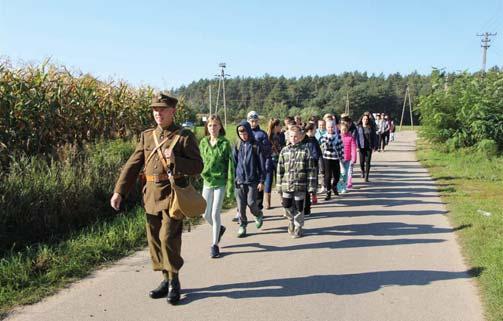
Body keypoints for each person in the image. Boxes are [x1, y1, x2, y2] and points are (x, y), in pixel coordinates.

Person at [110, 93, 203, 304]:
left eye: (162, 109)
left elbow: (198, 166)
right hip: (151, 194)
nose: (158, 113)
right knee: (154, 240)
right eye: (155, 109)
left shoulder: (184, 136)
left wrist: (176, 159)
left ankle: (174, 281)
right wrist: (119, 191)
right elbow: (132, 165)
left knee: (167, 237)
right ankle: (164, 278)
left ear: (173, 111)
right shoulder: (147, 136)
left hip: (173, 195)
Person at [199, 115, 234, 258]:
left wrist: (231, 185)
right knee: (204, 213)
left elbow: (231, 166)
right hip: (207, 181)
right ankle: (219, 228)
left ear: (220, 126)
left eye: (215, 125)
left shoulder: (225, 144)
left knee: (215, 213)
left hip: (220, 181)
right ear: (207, 127)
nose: (212, 128)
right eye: (210, 125)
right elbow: (199, 161)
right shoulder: (203, 143)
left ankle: (214, 245)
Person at [276, 125, 317, 238]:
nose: (293, 139)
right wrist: (279, 186)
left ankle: (298, 226)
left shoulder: (305, 150)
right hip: (286, 184)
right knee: (286, 205)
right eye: (291, 136)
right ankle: (291, 220)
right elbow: (280, 170)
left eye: (296, 136)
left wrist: (312, 186)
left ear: (300, 137)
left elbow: (311, 170)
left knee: (299, 207)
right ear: (288, 137)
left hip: (301, 185)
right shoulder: (284, 151)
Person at [234, 120, 266, 237]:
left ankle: (258, 214)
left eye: (244, 132)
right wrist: (234, 178)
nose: (243, 135)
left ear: (248, 131)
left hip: (252, 180)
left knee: (251, 203)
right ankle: (242, 226)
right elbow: (234, 163)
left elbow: (262, 165)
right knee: (240, 206)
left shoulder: (256, 145)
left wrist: (262, 181)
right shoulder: (237, 145)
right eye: (240, 133)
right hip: (240, 180)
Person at [247, 111, 272, 211]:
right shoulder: (245, 133)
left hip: (259, 164)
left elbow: (267, 151)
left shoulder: (262, 134)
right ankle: (240, 210)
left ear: (258, 121)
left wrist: (265, 165)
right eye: (251, 121)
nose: (253, 123)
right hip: (248, 165)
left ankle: (259, 207)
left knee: (259, 187)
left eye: (255, 121)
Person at [319, 120, 344, 200]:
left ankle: (334, 186)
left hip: (336, 158)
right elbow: (325, 147)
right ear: (326, 128)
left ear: (335, 127)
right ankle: (328, 192)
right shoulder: (324, 136)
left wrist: (342, 157)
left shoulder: (338, 136)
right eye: (329, 127)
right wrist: (330, 142)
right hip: (327, 158)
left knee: (337, 176)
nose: (330, 129)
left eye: (332, 127)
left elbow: (341, 148)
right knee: (328, 176)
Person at [267, 118, 285, 209]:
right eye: (279, 125)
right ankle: (268, 203)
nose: (281, 127)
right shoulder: (268, 136)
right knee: (268, 181)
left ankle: (283, 200)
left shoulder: (281, 135)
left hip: (279, 161)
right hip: (270, 161)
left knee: (280, 180)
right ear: (275, 126)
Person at [302, 123, 321, 209]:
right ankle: (307, 199)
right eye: (315, 130)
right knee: (306, 182)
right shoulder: (303, 140)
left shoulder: (314, 139)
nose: (316, 131)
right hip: (306, 164)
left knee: (314, 180)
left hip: (314, 163)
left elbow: (318, 152)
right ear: (310, 130)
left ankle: (314, 195)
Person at [357, 112, 378, 182]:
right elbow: (356, 138)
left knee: (368, 162)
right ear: (362, 119)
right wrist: (357, 146)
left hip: (369, 147)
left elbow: (374, 137)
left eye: (367, 119)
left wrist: (375, 146)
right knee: (361, 162)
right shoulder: (358, 127)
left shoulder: (371, 128)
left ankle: (366, 176)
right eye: (364, 119)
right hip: (361, 147)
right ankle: (362, 171)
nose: (365, 120)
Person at [339, 122, 357, 193]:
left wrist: (354, 158)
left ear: (347, 129)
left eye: (345, 129)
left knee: (346, 173)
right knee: (342, 172)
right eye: (342, 129)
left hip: (348, 159)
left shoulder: (350, 138)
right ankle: (339, 186)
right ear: (340, 129)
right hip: (340, 159)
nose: (344, 131)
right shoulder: (338, 137)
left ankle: (344, 186)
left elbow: (353, 148)